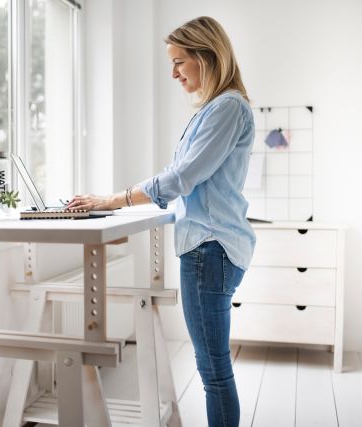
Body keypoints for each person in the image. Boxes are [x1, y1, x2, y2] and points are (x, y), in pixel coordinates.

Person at [67, 16, 255, 427]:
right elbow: (188, 180)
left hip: (211, 248)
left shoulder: (227, 107)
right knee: (213, 368)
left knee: (213, 372)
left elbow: (182, 176)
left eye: (180, 62)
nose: (173, 73)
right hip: (212, 247)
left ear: (207, 56)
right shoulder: (218, 108)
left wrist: (114, 200)